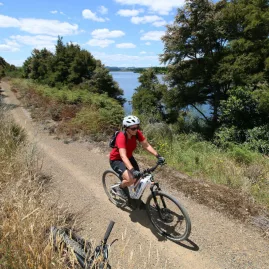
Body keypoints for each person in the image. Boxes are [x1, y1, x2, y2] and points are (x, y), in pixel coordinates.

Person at [109, 115, 165, 205]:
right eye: (133, 128)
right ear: (126, 128)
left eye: (137, 127)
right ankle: (120, 187)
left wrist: (158, 156)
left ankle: (135, 198)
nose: (136, 130)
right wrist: (132, 170)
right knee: (131, 179)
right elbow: (123, 156)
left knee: (139, 178)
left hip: (129, 157)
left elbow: (146, 145)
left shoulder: (136, 133)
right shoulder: (121, 137)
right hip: (117, 159)